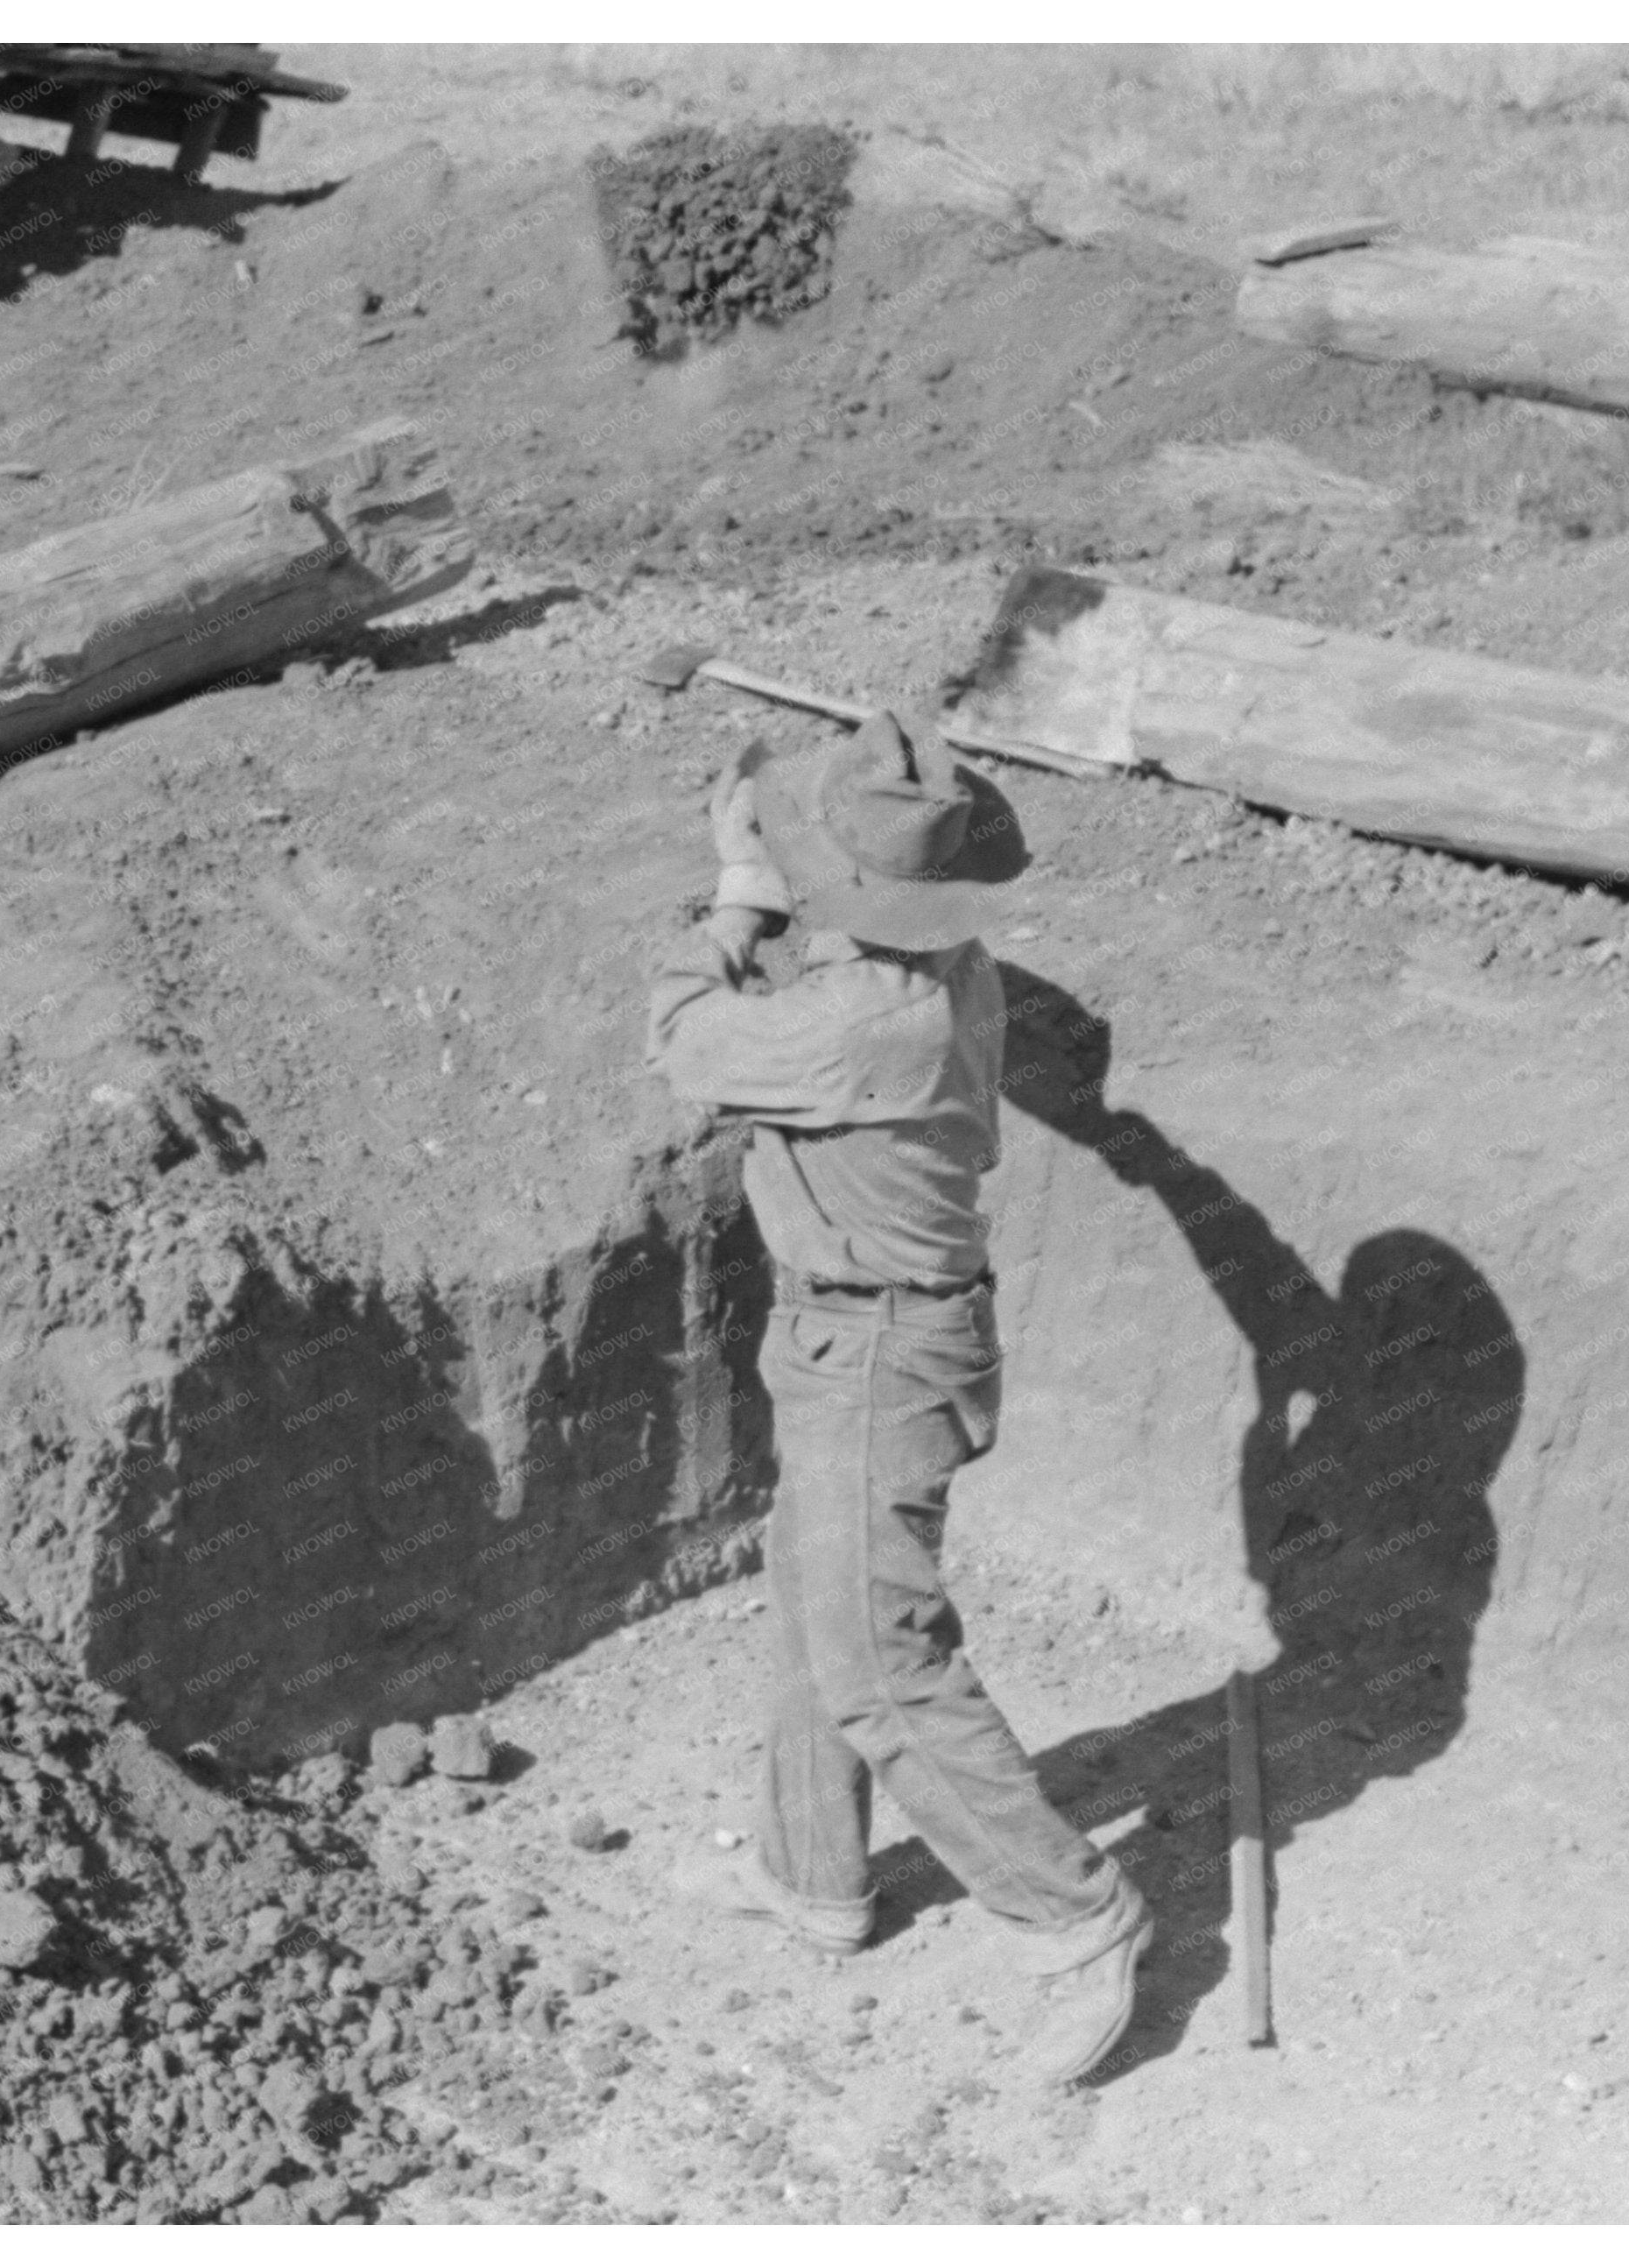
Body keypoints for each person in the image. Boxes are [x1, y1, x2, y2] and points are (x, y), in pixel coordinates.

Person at [644, 711, 1152, 2086]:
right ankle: (810, 1873)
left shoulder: (860, 1022)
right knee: (819, 1601)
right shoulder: (934, 967)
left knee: (877, 1657)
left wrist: (736, 897)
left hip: (878, 1351)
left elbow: (683, 1036)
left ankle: (1076, 1916)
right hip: (854, 1334)